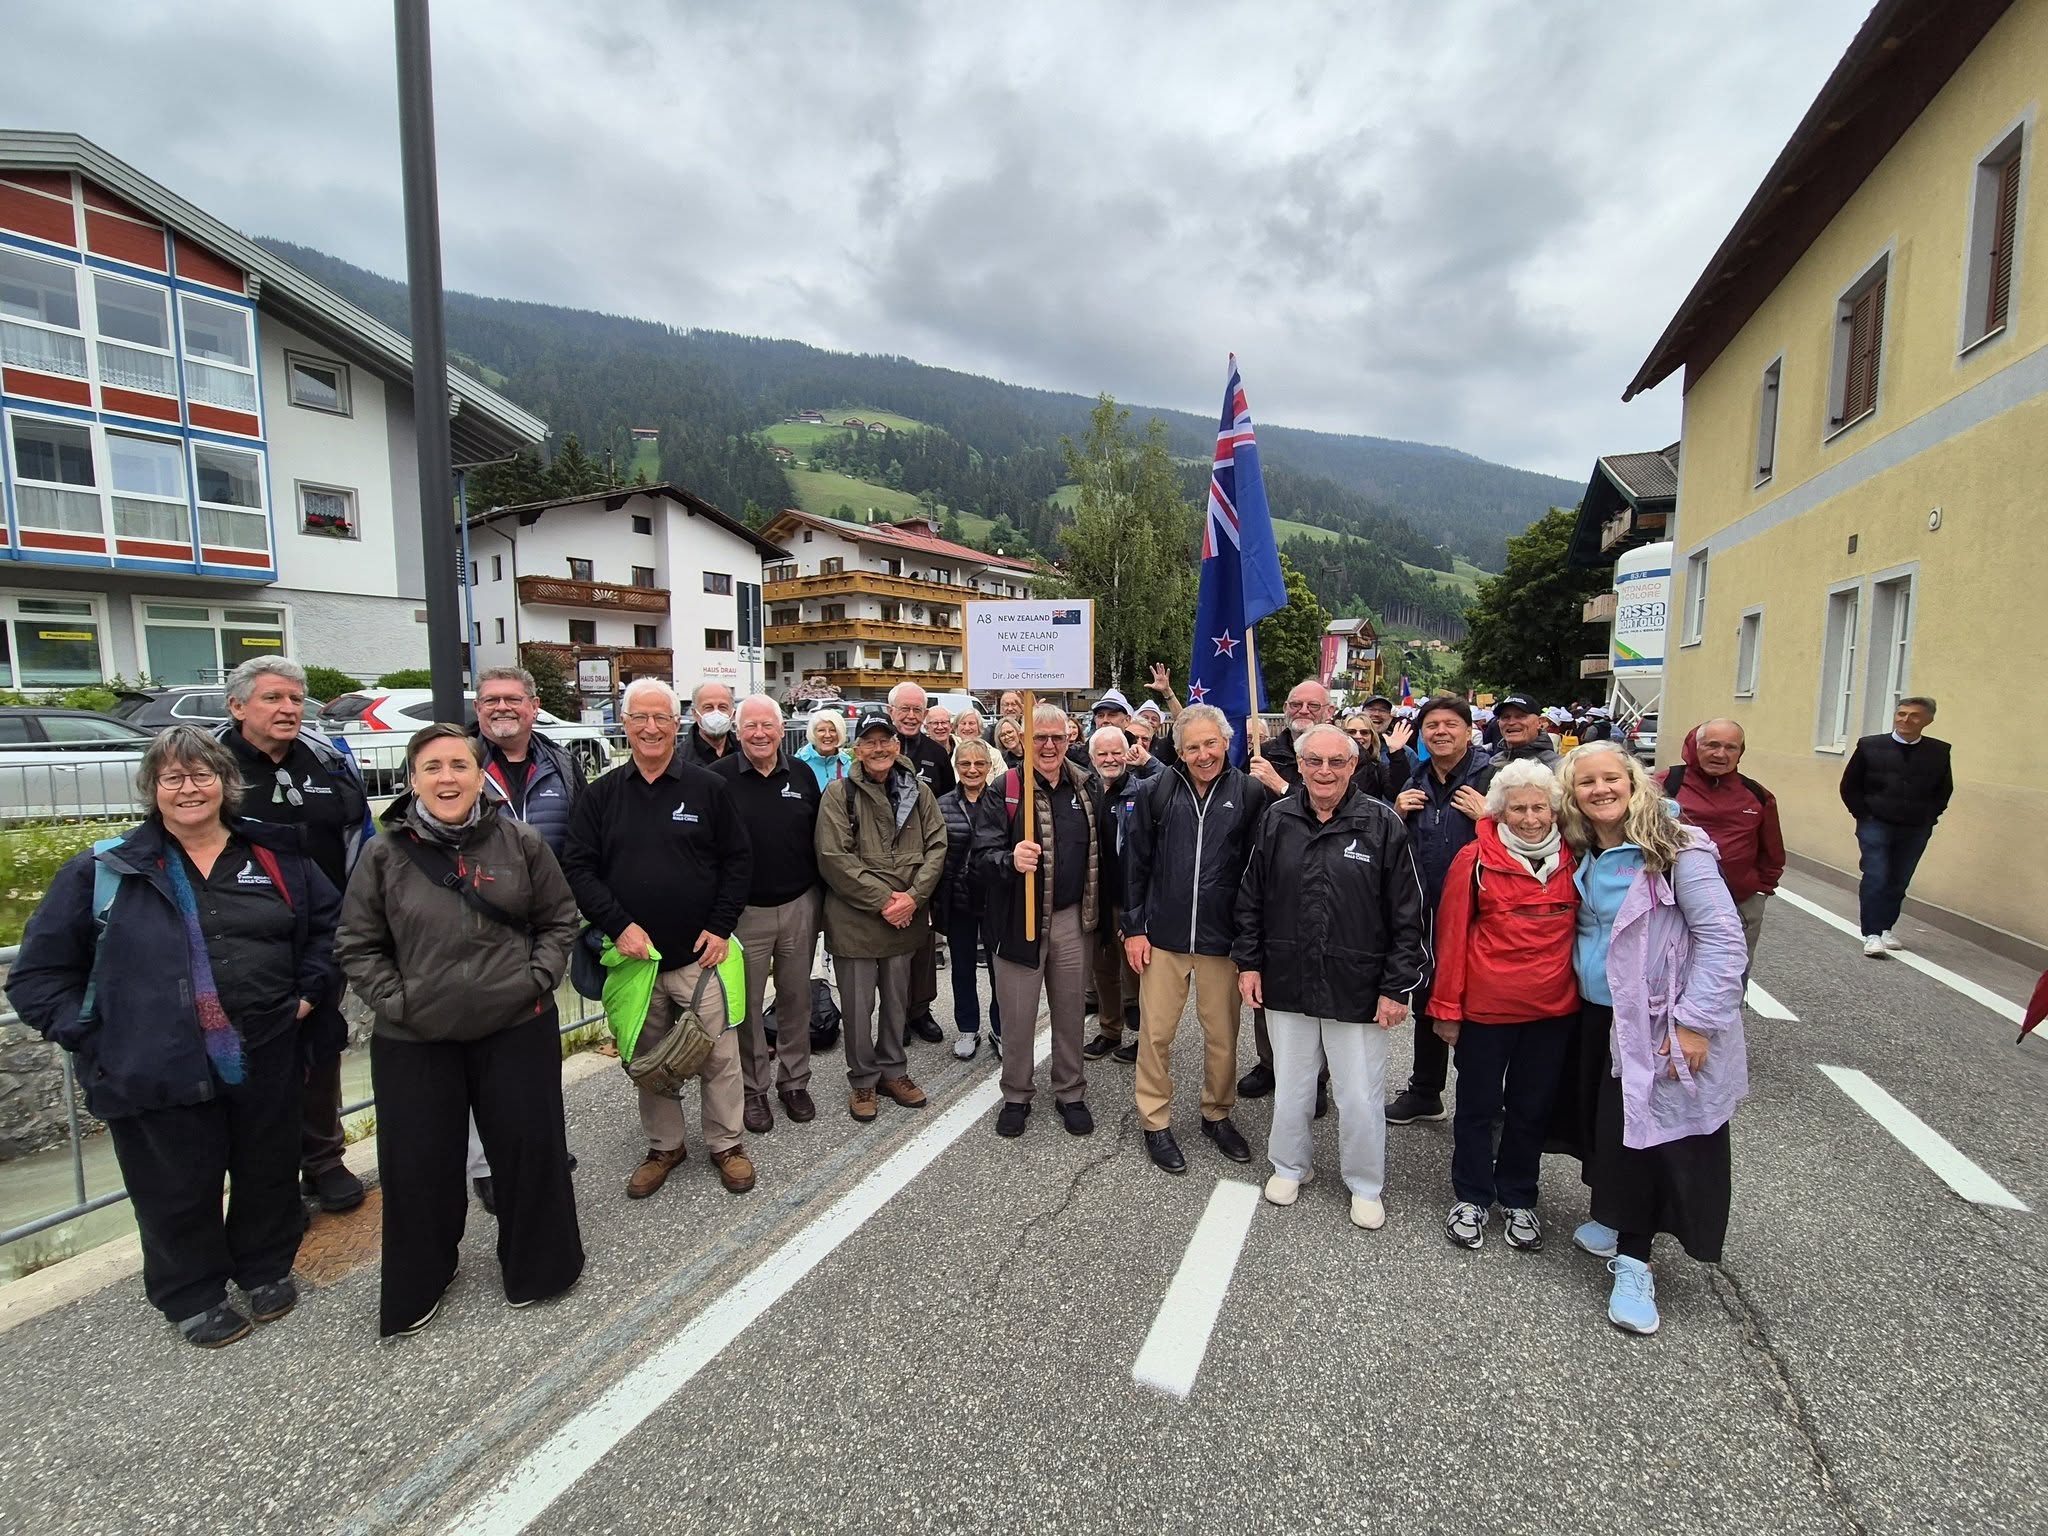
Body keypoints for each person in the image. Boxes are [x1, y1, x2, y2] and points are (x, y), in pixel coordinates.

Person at [7, 726, 340, 1348]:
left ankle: (266, 1268)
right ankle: (193, 1293)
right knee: (175, 1185)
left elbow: (328, 931)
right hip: (155, 1061)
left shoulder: (273, 858)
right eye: (173, 778)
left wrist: (309, 991)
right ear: (153, 790)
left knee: (267, 1168)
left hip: (265, 1047)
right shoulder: (106, 870)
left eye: (202, 775)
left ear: (225, 782)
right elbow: (38, 975)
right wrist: (94, 1036)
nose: (190, 789)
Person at [337, 724, 584, 1337]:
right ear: (413, 779)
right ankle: (422, 1278)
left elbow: (559, 918)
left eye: (459, 765)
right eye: (432, 767)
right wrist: (397, 1001)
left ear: (481, 776)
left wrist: (536, 979)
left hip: (515, 1023)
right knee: (419, 1162)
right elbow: (357, 943)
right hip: (416, 1034)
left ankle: (539, 1267)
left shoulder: (521, 843)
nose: (447, 778)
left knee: (529, 1151)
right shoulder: (384, 854)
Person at [1557, 741, 1749, 1336]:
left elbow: (1724, 939)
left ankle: (1635, 1264)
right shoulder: (1588, 847)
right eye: (1585, 782)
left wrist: (1694, 1022)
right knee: (1609, 1133)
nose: (1600, 790)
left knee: (1648, 1141)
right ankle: (1615, 1218)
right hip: (1595, 1017)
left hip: (1655, 1024)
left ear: (1634, 781)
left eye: (1610, 778)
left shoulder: (1677, 849)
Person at [562, 678, 757, 1199]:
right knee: (646, 1057)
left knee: (718, 1054)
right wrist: (617, 925)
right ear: (624, 725)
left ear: (677, 724)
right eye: (640, 718)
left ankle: (727, 1144)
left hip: (702, 954)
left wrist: (720, 926)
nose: (651, 728)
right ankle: (665, 1145)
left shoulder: (707, 788)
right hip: (634, 958)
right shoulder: (602, 795)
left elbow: (738, 862)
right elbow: (579, 867)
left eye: (661, 718)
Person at [1235, 725, 1426, 1230]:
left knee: (1359, 1094)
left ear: (1353, 766)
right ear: (1298, 766)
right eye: (1314, 761)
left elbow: (1409, 915)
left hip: (1358, 983)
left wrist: (1396, 987)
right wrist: (1249, 962)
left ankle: (1365, 1183)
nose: (1324, 772)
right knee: (1294, 1085)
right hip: (1288, 976)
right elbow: (1251, 898)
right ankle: (1289, 1165)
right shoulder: (1276, 819)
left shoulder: (1383, 824)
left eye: (1336, 762)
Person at [214, 656, 370, 1215]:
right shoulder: (213, 764)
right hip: (241, 939)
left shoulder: (327, 759)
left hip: (322, 929)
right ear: (237, 707)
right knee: (252, 1059)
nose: (288, 709)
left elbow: (358, 834)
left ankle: (324, 1158)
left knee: (321, 1044)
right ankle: (267, 1179)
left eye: (295, 700)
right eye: (273, 699)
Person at [1427, 760, 1580, 1253]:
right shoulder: (1473, 858)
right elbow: (1451, 938)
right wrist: (1446, 1010)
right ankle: (1471, 1196)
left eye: (1540, 807)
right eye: (1519, 808)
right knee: (1476, 1107)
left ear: (1555, 811)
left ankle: (1519, 1197)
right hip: (1487, 1011)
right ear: (1500, 811)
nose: (1530, 818)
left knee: (1530, 1110)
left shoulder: (1577, 857)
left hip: (1553, 1011)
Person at [1122, 704, 1271, 1174]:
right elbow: (1135, 865)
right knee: (1156, 1034)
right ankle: (1154, 1121)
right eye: (1193, 747)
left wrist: (1249, 946)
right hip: (1163, 938)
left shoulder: (1250, 794)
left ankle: (1217, 1113)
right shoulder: (1156, 791)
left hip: (1220, 941)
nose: (1203, 754)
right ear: (1179, 750)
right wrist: (1134, 928)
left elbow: (1258, 876)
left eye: (1211, 744)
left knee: (1223, 1037)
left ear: (1226, 743)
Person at [466, 665, 588, 1212]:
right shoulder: (460, 762)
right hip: (476, 928)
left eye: (512, 699)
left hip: (545, 926)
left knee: (539, 1046)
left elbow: (581, 837)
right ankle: (485, 1165)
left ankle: (543, 1145)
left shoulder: (560, 762)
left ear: (534, 706)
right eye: (490, 699)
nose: (501, 708)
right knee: (481, 1050)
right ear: (478, 708)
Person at [814, 707, 949, 1121]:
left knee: (896, 1002)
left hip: (905, 916)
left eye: (884, 740)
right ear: (856, 749)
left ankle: (893, 1071)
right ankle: (863, 1080)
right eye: (869, 741)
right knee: (857, 1008)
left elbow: (937, 845)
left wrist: (913, 898)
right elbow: (833, 858)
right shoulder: (840, 794)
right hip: (856, 921)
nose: (878, 748)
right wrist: (886, 900)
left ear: (895, 743)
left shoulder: (917, 790)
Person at [976, 703, 1105, 1137]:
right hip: (1018, 921)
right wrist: (1008, 858)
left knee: (1070, 1013)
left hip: (1071, 919)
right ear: (1025, 741)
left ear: (1070, 739)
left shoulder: (1086, 786)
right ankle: (1016, 1094)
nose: (1049, 745)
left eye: (1057, 737)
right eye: (1039, 737)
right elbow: (979, 857)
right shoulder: (1006, 787)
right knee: (1018, 1016)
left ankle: (1070, 1091)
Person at [711, 696, 824, 1130]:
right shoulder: (717, 780)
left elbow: (817, 835)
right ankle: (754, 1089)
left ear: (781, 731)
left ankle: (794, 1081)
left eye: (767, 725)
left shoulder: (802, 774)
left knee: (796, 999)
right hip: (744, 914)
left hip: (799, 904)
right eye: (751, 726)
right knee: (748, 1005)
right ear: (738, 732)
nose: (759, 734)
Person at [1386, 696, 1497, 1125]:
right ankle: (1424, 1092)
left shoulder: (1494, 779)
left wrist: (1490, 817)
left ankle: (1484, 1108)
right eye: (1432, 725)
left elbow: (1530, 835)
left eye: (1451, 724)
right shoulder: (1415, 779)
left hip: (1480, 914)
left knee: (1475, 1012)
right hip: (1425, 911)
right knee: (1427, 1002)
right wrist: (1397, 812)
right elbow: (1396, 846)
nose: (1440, 732)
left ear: (1469, 731)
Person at [1659, 720, 1785, 971]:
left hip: (1738, 904)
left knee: (1729, 980)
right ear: (1695, 746)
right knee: (1666, 977)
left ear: (1741, 752)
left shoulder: (1757, 795)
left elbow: (1772, 850)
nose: (1720, 754)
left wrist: (1758, 891)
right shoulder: (1664, 784)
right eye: (1712, 745)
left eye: (1731, 748)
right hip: (1671, 904)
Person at [1839, 696, 1953, 957]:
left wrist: (1930, 816)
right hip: (1875, 823)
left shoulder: (1939, 751)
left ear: (1928, 721)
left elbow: (1944, 790)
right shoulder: (1870, 746)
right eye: (1901, 714)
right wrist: (1863, 815)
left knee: (1899, 879)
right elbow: (1850, 786)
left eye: (1914, 715)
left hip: (1915, 826)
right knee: (1877, 874)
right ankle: (1872, 933)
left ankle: (1886, 927)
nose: (1906, 720)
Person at [888, 682, 952, 1044]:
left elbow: (945, 809)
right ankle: (895, 1014)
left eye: (918, 710)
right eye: (905, 709)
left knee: (924, 945)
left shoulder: (935, 753)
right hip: (885, 865)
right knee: (889, 945)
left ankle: (920, 1011)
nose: (911, 716)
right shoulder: (878, 747)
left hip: (924, 864)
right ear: (891, 711)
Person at [936, 738, 1004, 1060]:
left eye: (979, 763)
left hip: (995, 898)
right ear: (956, 767)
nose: (972, 769)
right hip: (958, 900)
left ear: (989, 767)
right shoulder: (942, 804)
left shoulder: (1003, 801)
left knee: (998, 968)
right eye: (965, 764)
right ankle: (967, 1027)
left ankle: (1001, 1027)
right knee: (961, 966)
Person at [1082, 725, 1144, 1060]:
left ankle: (1146, 1036)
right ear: (1092, 759)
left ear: (1128, 754)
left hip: (1129, 901)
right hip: (1095, 898)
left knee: (1136, 973)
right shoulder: (1087, 792)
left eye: (1116, 752)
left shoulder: (1141, 791)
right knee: (1103, 970)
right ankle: (1109, 1030)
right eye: (1102, 754)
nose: (1110, 759)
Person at [1247, 678, 1332, 795]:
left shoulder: (1348, 754)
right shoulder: (1262, 754)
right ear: (1285, 708)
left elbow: (1337, 807)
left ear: (1330, 711)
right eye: (1296, 705)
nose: (1303, 711)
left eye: (1313, 705)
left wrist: (1281, 786)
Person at [1492, 694, 1561, 769]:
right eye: (1505, 717)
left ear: (1539, 722)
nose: (1511, 722)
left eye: (1520, 716)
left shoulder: (1558, 768)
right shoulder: (1492, 763)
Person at [682, 681, 738, 766]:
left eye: (722, 707)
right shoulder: (678, 758)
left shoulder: (746, 754)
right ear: (695, 714)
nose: (716, 713)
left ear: (733, 714)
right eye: (708, 707)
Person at [798, 709, 852, 789]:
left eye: (833, 730)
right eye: (821, 730)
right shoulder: (798, 763)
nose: (827, 735)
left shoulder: (847, 763)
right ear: (813, 733)